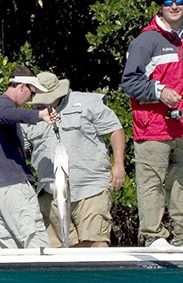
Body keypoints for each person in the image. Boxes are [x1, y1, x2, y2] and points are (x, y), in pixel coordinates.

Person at [121, 0, 183, 249]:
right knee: (151, 183)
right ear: (160, 7)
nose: (174, 6)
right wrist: (159, 91)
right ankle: (153, 237)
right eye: (168, 2)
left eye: (179, 1)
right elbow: (129, 82)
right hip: (153, 128)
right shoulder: (146, 40)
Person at [23, 72, 125, 247]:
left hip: (91, 188)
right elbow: (19, 151)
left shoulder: (88, 103)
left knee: (96, 244)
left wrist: (118, 165)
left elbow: (115, 130)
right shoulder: (28, 119)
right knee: (60, 251)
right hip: (50, 195)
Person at [0, 66, 56, 249]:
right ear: (22, 86)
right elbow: (6, 114)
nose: (31, 100)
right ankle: (48, 277)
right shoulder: (3, 105)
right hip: (12, 187)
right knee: (36, 242)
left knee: (10, 248)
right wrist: (39, 115)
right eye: (32, 94)